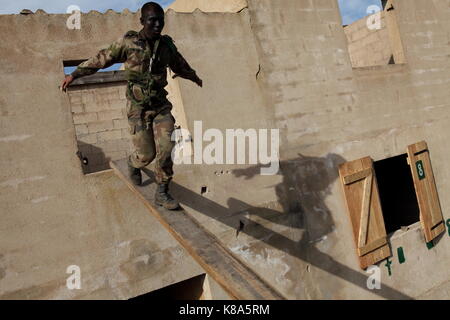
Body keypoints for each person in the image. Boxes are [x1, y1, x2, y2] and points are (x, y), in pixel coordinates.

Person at [61, 2, 202, 210]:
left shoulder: (166, 46)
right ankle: (133, 162)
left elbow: (181, 65)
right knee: (147, 155)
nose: (157, 24)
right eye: (152, 20)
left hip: (161, 105)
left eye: (160, 20)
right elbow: (101, 59)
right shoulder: (129, 43)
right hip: (138, 109)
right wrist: (74, 74)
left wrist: (195, 78)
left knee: (167, 144)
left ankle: (162, 191)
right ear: (142, 21)